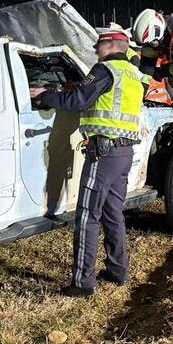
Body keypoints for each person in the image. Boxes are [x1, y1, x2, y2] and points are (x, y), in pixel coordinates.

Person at [28, 30, 145, 297]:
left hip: (102, 155)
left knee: (87, 216)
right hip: (123, 153)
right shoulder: (133, 75)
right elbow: (94, 97)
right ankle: (118, 270)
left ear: (113, 44)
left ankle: (82, 283)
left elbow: (77, 101)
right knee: (113, 213)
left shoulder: (105, 70)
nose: (95, 51)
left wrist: (45, 95)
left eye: (99, 46)